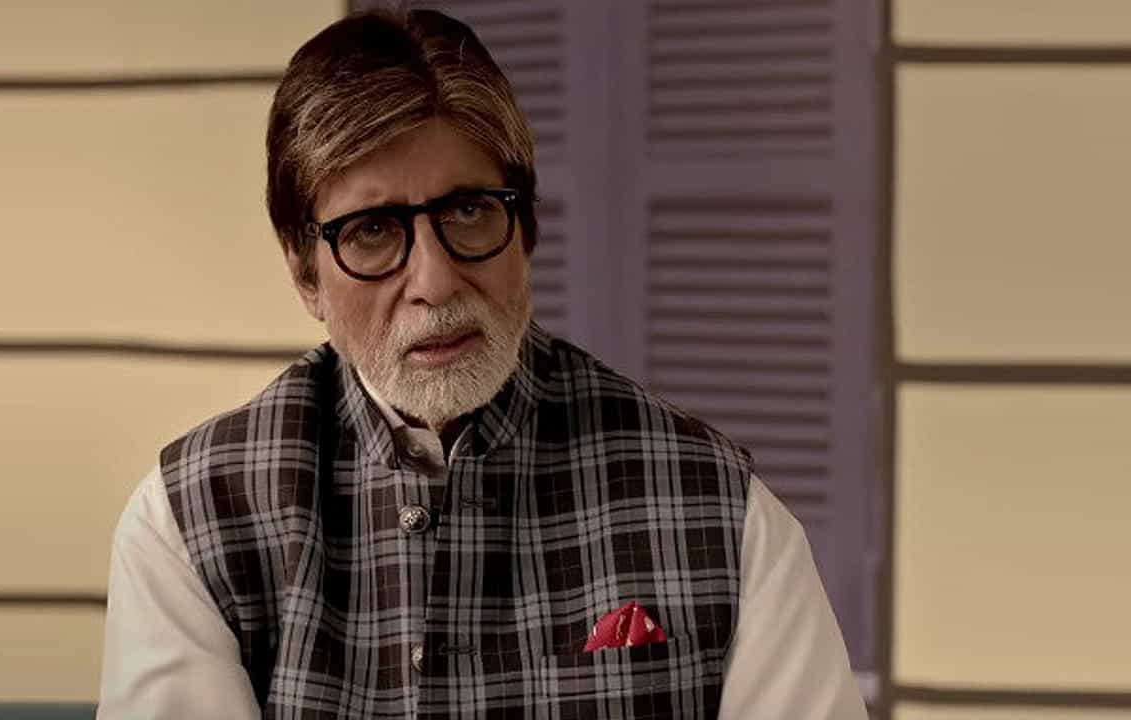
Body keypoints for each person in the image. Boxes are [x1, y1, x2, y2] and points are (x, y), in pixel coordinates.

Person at [96, 8, 867, 719]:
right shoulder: (192, 523)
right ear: (305, 274)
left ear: (526, 228)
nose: (434, 283)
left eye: (468, 211)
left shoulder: (721, 512)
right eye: (373, 231)